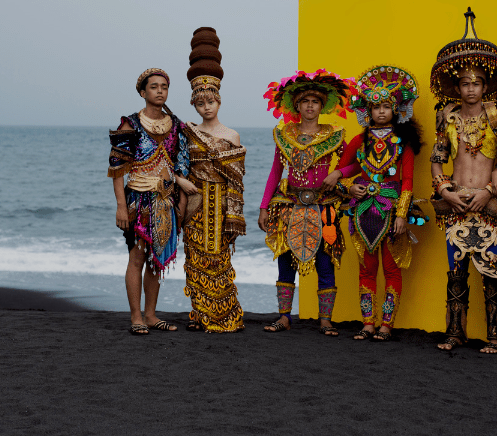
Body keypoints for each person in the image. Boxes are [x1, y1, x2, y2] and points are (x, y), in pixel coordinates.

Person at [429, 9, 497, 353]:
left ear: (485, 85)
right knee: (455, 270)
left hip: (486, 202)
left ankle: (496, 336)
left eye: (476, 83)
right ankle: (455, 332)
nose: (470, 89)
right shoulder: (447, 116)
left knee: (492, 269)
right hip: (455, 202)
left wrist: (490, 189)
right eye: (465, 83)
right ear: (457, 86)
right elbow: (437, 160)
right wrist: (443, 190)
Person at [326, 65, 425, 341]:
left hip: (392, 212)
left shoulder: (403, 143)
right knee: (366, 269)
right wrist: (347, 184)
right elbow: (345, 171)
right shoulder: (359, 140)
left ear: (396, 110)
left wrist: (402, 215)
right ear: (367, 111)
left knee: (391, 269)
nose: (381, 111)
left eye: (386, 106)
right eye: (375, 107)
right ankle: (368, 322)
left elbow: (407, 181)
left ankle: (386, 325)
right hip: (362, 212)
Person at [258, 69, 356, 336]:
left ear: (322, 106)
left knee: (326, 260)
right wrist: (264, 207)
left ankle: (325, 320)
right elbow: (275, 172)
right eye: (305, 101)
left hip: (324, 205)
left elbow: (353, 163)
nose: (310, 106)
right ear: (296, 105)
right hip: (288, 204)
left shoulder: (334, 134)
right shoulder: (284, 134)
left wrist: (338, 173)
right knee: (285, 260)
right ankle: (284, 317)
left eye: (315, 101)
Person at [108, 68, 190, 335]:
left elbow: (181, 166)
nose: (159, 91)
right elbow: (117, 169)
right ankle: (136, 317)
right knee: (137, 257)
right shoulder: (130, 124)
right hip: (138, 201)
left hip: (166, 200)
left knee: (157, 260)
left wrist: (183, 202)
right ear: (143, 93)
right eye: (153, 87)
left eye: (164, 87)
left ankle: (152, 314)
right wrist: (121, 205)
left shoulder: (176, 125)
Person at [179, 27, 247, 333]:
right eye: (200, 103)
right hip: (194, 201)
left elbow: (237, 180)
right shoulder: (188, 132)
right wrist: (180, 182)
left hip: (220, 204)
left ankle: (224, 317)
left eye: (210, 101)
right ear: (195, 105)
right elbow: (177, 164)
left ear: (219, 100)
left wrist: (234, 215)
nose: (206, 107)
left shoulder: (231, 135)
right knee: (195, 257)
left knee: (219, 258)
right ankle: (202, 315)